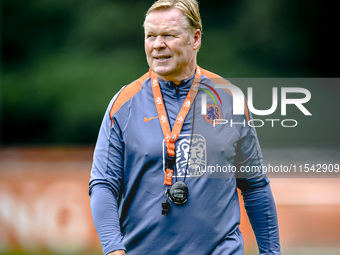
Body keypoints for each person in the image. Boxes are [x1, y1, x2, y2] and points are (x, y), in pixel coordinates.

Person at [89, 0, 281, 254]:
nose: (158, 45)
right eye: (150, 36)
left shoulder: (229, 98)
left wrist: (272, 252)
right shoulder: (124, 104)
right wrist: (113, 248)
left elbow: (255, 185)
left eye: (169, 35)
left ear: (195, 38)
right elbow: (103, 184)